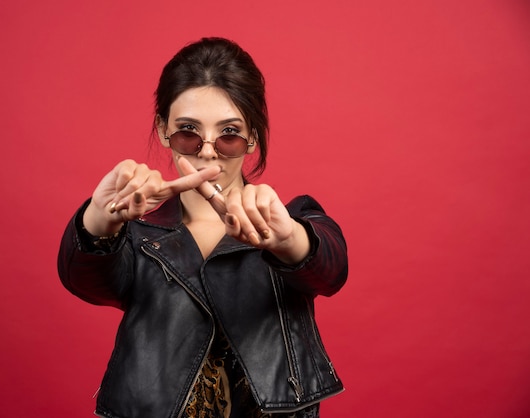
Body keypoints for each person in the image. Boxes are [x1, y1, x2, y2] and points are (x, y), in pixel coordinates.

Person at [58, 37, 348, 418]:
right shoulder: (138, 234)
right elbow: (86, 281)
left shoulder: (290, 220)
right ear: (164, 130)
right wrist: (100, 216)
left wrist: (288, 240)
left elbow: (331, 269)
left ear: (252, 139)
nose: (208, 151)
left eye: (229, 134)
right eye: (188, 133)